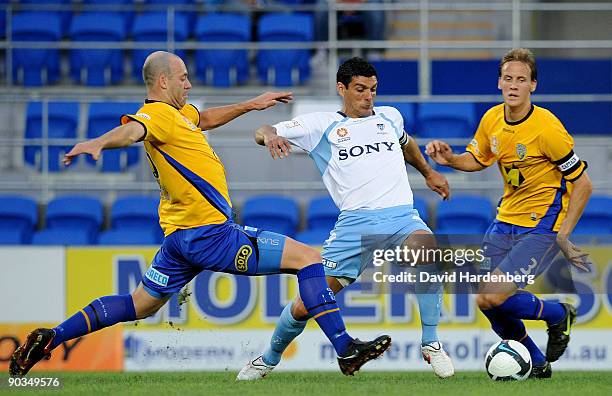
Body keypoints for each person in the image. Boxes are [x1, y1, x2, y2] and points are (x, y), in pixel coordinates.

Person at [9, 51, 391, 377]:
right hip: (212, 235)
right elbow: (130, 133)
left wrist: (249, 104)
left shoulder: (179, 115)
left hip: (179, 240)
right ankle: (344, 348)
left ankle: (52, 336)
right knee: (309, 259)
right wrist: (97, 141)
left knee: (138, 303)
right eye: (183, 78)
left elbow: (204, 119)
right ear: (162, 81)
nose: (189, 84)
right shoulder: (155, 115)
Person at [237, 57, 455, 380]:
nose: (369, 97)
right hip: (354, 226)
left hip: (401, 218)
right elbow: (264, 129)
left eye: (373, 90)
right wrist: (269, 136)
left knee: (427, 246)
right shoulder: (320, 126)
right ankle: (267, 359)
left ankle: (431, 342)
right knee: (305, 304)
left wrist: (428, 172)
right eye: (361, 89)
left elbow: (407, 145)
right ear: (342, 89)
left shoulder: (390, 117)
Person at [425, 48, 593, 379]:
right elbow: (478, 158)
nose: (513, 85)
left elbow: (583, 184)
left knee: (493, 294)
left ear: (533, 85)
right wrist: (450, 160)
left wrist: (563, 234)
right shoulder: (492, 119)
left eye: (521, 79)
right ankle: (537, 362)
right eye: (507, 78)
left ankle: (558, 314)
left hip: (542, 224)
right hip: (505, 219)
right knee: (485, 301)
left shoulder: (547, 128)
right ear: (499, 82)